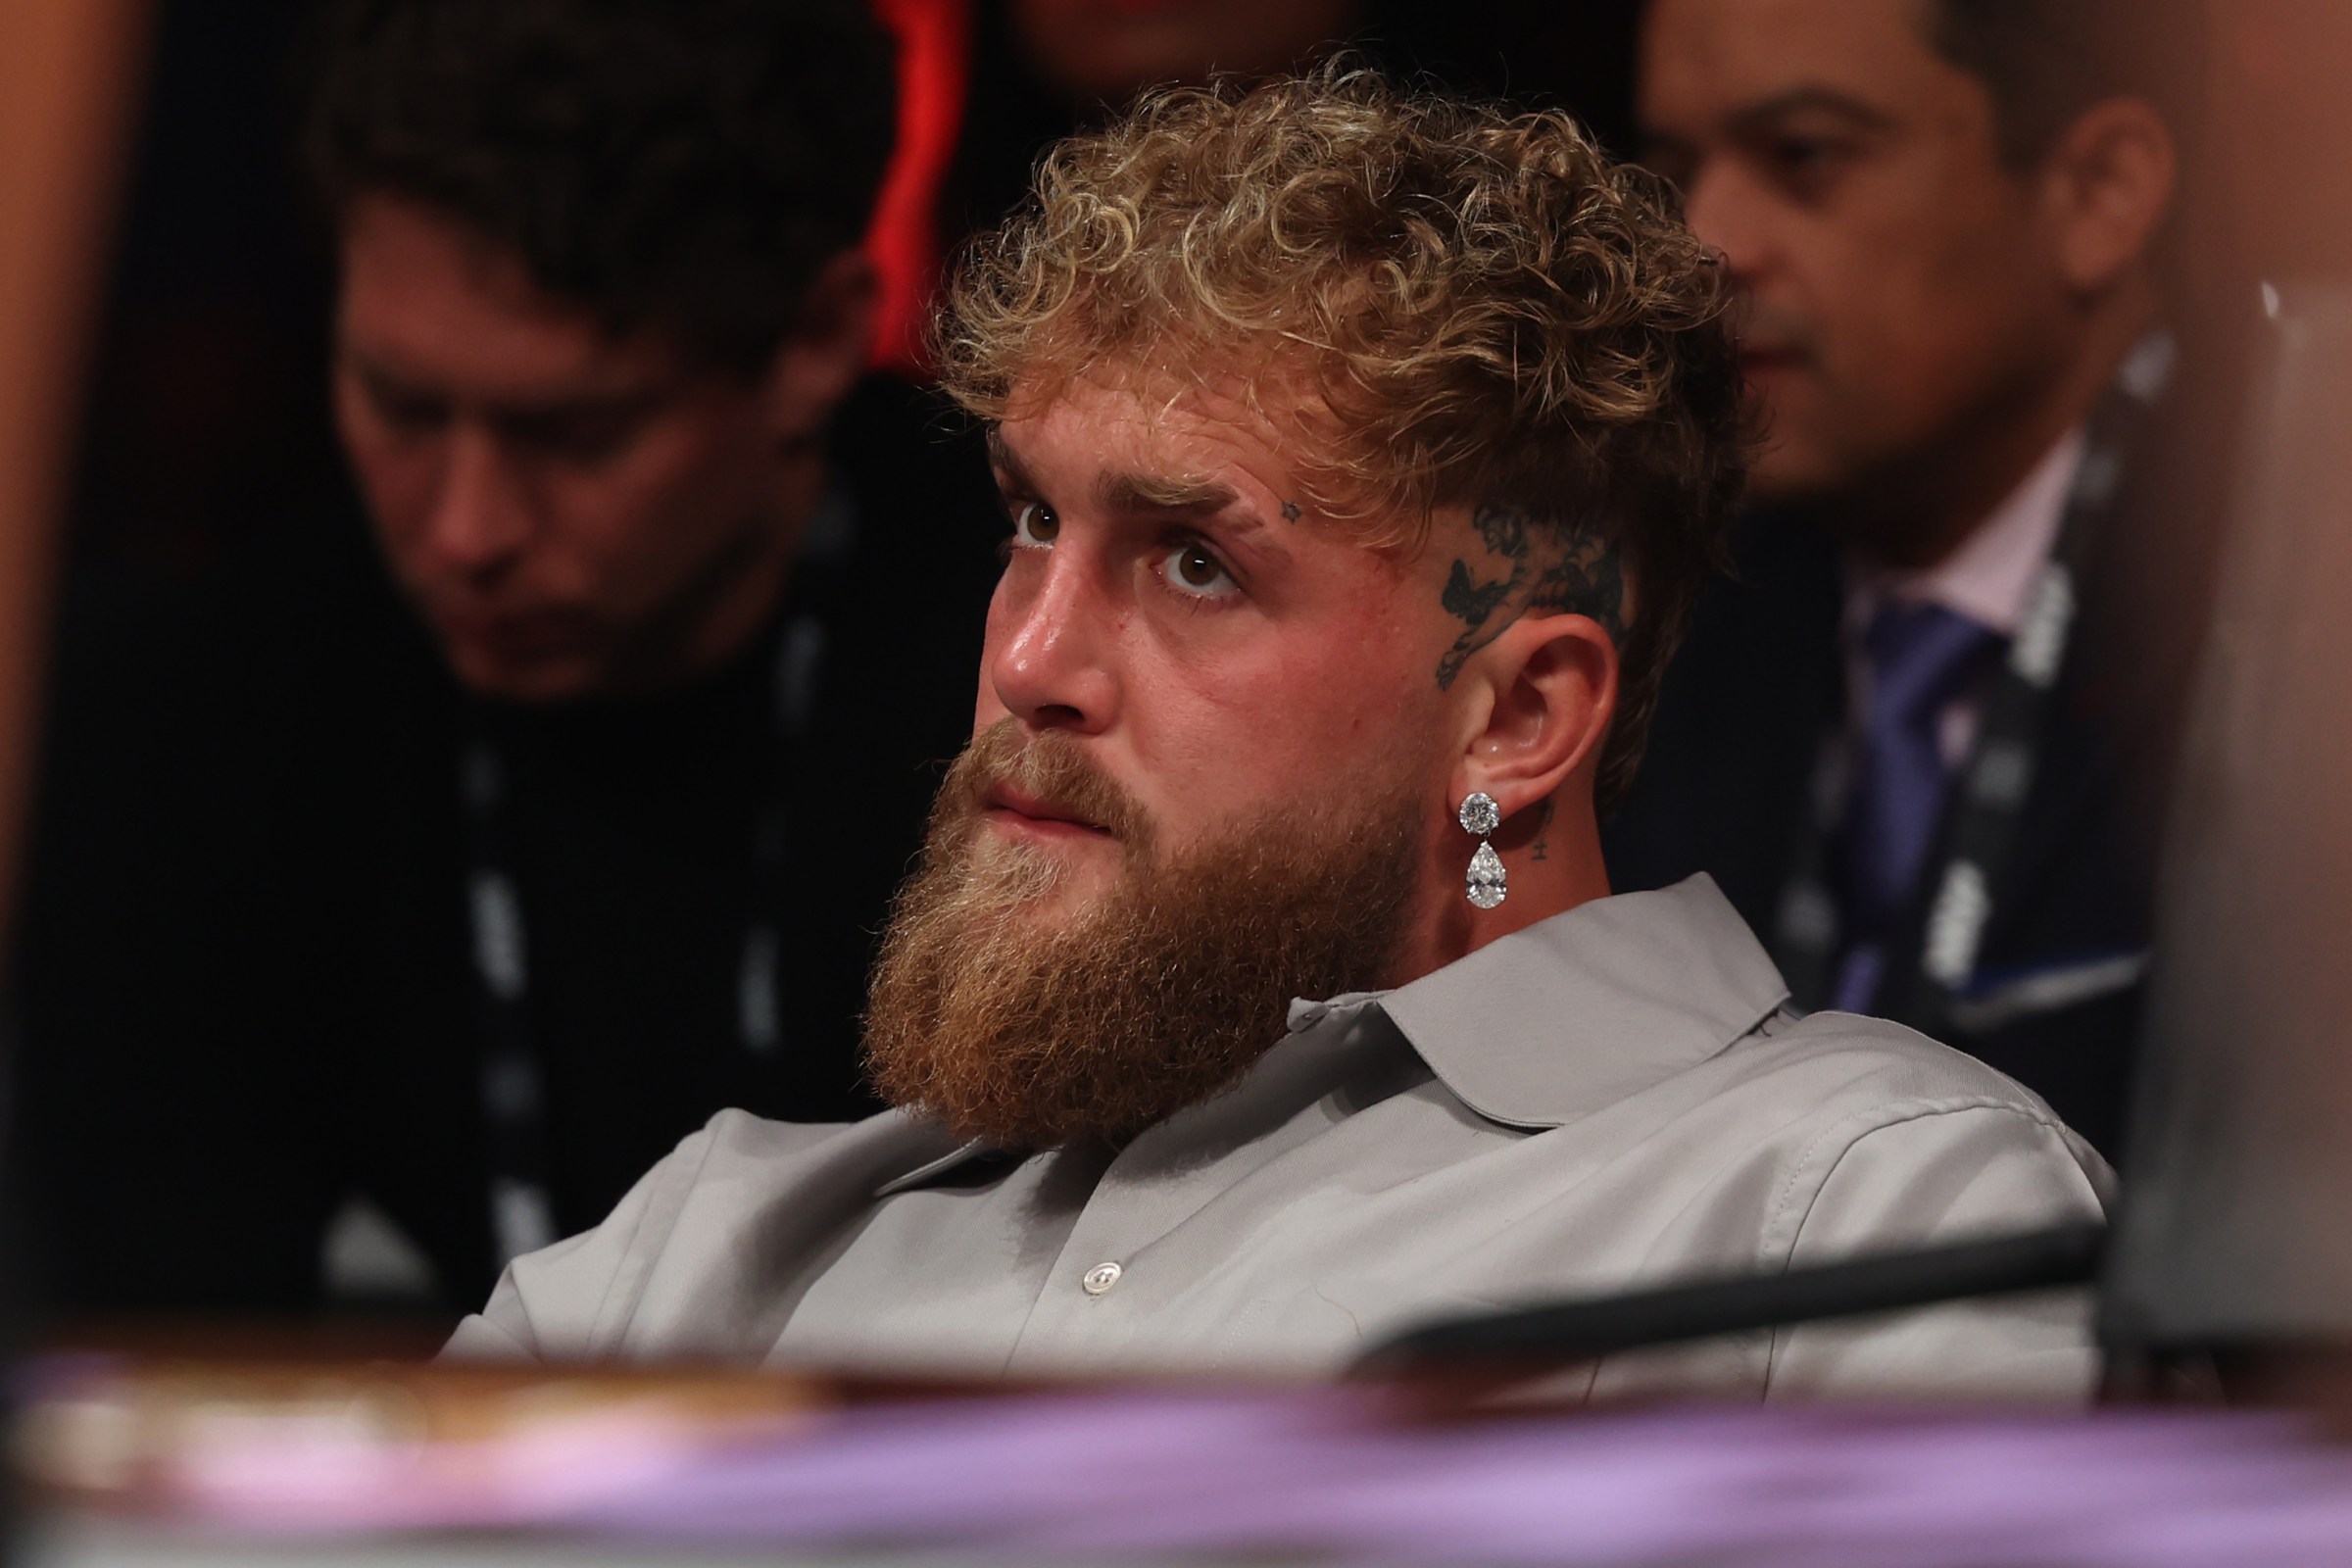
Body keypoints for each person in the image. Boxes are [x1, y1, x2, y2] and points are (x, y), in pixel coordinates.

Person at [449, 69, 2111, 1400]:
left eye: (1193, 563)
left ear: (1519, 718)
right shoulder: (711, 1251)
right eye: (1031, 522)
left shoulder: (1869, 1208)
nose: (1031, 661)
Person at [7, 0, 1000, 1318]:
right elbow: (161, 1343)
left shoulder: (1032, 672)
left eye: (578, 436)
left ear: (815, 342)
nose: (466, 532)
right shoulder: (205, 718)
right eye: (403, 405)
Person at [1609, 0, 2205, 1156]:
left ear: (2099, 193)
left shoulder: (2299, 599)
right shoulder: (1648, 592)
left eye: (1806, 157)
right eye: (1675, 167)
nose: (1705, 243)